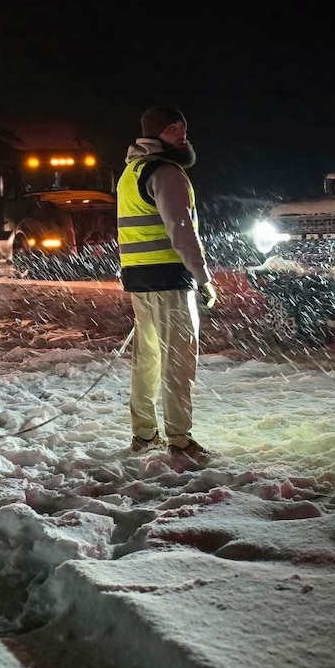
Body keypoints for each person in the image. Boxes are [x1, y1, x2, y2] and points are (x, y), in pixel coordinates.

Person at [116, 105, 217, 466]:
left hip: (140, 279)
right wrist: (203, 276)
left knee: (148, 358)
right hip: (170, 279)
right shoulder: (167, 172)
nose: (182, 134)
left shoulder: (131, 171)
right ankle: (180, 439)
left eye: (184, 127)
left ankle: (144, 432)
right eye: (175, 129)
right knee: (177, 359)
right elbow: (181, 230)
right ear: (156, 132)